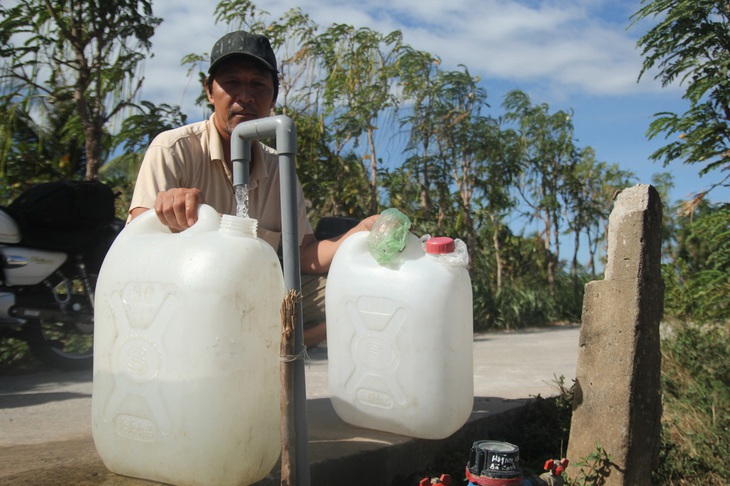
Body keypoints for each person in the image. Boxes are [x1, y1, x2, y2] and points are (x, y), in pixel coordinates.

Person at [128, 30, 377, 347]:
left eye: (258, 85)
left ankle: (279, 351)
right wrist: (165, 210)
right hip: (187, 299)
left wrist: (361, 234)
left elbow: (304, 255)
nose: (244, 96)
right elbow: (137, 241)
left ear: (273, 97)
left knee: (365, 287)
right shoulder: (173, 149)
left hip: (260, 296)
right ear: (209, 91)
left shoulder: (279, 168)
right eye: (231, 83)